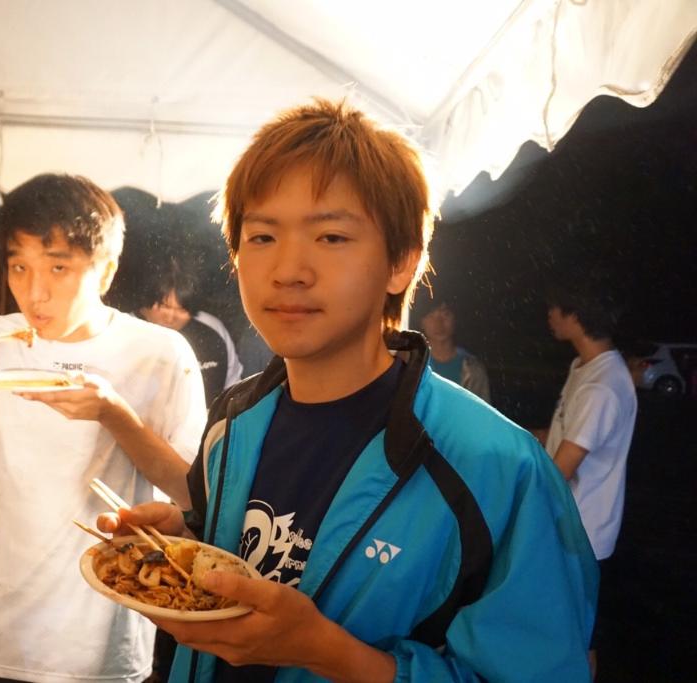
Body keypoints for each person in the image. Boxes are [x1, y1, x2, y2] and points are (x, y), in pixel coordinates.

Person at [98, 99, 597, 682]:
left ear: (401, 262)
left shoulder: (497, 468)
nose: (289, 270)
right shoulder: (234, 422)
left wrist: (325, 650)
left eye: (331, 236)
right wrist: (185, 542)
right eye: (262, 236)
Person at [0, 174, 207, 682]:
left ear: (105, 270)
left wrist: (114, 413)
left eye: (58, 267)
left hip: (96, 641)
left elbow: (190, 492)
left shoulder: (159, 353)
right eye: (19, 267)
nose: (35, 293)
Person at [539, 284, 637, 677]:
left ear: (576, 315)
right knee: (560, 627)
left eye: (554, 308)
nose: (549, 315)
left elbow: (562, 468)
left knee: (578, 637)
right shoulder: (584, 367)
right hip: (569, 524)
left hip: (582, 534)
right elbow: (562, 434)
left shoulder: (602, 386)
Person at [137, 257, 244, 405]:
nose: (171, 317)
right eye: (164, 306)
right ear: (145, 305)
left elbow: (233, 388)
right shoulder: (125, 332)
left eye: (181, 309)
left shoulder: (212, 330)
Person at [417, 297, 491, 402]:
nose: (438, 323)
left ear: (455, 318)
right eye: (431, 316)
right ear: (421, 322)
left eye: (446, 314)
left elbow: (482, 409)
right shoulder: (415, 365)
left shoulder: (473, 369)